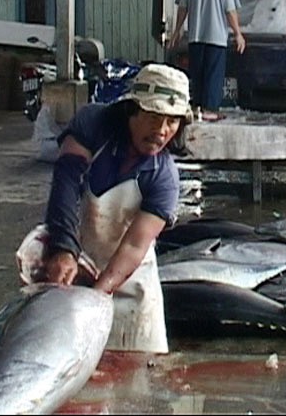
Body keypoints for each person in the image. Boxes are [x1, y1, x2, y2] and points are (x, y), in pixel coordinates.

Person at [15, 63, 193, 354]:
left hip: (131, 284)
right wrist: (63, 249)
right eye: (153, 117)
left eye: (172, 122)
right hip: (71, 266)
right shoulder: (94, 123)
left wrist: (98, 295)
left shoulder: (164, 177)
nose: (161, 131)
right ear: (131, 110)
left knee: (137, 381)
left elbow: (136, 245)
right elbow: (67, 180)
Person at [168, 0, 246, 122]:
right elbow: (230, 10)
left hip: (196, 36)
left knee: (197, 73)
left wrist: (177, 31)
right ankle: (210, 110)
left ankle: (198, 107)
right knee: (214, 74)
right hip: (216, 37)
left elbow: (182, 8)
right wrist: (238, 33)